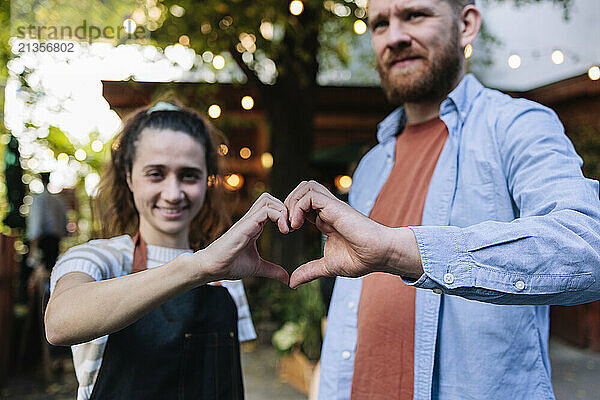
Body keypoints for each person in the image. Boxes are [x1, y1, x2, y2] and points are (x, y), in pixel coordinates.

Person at [283, 1, 600, 399]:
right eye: (380, 24)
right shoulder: (369, 165)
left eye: (414, 15)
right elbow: (352, 311)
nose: (395, 36)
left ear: (466, 24)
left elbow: (588, 245)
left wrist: (403, 250)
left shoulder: (517, 125)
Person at [45, 101, 290, 400]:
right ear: (128, 176)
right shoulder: (101, 258)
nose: (173, 194)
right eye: (156, 174)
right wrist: (197, 267)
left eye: (189, 175)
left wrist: (208, 266)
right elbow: (59, 323)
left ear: (207, 180)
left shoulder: (224, 276)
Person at [26, 171, 67, 273]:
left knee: (40, 269)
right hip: (54, 239)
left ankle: (44, 289)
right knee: (50, 268)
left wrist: (33, 244)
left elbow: (36, 223)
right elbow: (64, 220)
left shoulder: (38, 199)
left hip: (42, 239)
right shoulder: (58, 199)